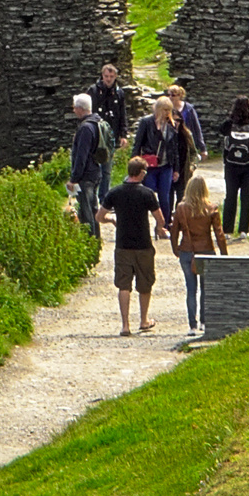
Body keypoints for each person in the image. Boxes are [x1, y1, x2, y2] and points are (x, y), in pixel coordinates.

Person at [105, 156, 163, 334]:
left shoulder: (115, 192)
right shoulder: (147, 194)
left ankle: (125, 325)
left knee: (124, 285)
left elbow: (99, 216)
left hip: (123, 244)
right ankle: (144, 320)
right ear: (141, 173)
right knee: (145, 283)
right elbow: (159, 218)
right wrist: (159, 229)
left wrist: (112, 219)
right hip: (143, 244)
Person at [171, 172, 228, 334]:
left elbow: (174, 232)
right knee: (205, 288)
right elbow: (219, 234)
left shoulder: (181, 208)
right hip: (207, 251)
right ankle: (204, 321)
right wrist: (224, 254)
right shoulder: (211, 208)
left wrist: (176, 249)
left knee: (190, 289)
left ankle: (192, 325)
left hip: (187, 251)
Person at [134, 97, 196, 225]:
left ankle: (164, 225)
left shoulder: (172, 125)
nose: (167, 113)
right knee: (149, 195)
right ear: (157, 109)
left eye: (169, 110)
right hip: (150, 166)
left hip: (166, 166)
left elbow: (174, 149)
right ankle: (143, 224)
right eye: (164, 110)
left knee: (165, 197)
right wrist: (134, 166)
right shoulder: (146, 122)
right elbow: (138, 144)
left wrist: (176, 169)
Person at [69, 91, 114, 242]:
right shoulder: (98, 122)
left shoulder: (85, 128)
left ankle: (90, 242)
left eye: (75, 107)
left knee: (86, 211)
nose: (74, 110)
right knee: (93, 208)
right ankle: (96, 239)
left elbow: (81, 155)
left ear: (80, 108)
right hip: (96, 172)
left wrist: (74, 179)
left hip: (86, 176)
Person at [219, 98, 249, 235]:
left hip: (231, 165)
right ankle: (244, 229)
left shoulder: (228, 124)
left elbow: (220, 130)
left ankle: (227, 230)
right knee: (246, 197)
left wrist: (231, 116)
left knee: (230, 196)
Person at [90, 62, 131, 148]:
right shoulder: (93, 91)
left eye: (111, 76)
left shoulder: (119, 93)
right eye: (106, 76)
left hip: (113, 134)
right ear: (102, 76)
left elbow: (122, 114)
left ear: (115, 76)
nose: (108, 79)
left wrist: (123, 135)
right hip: (97, 134)